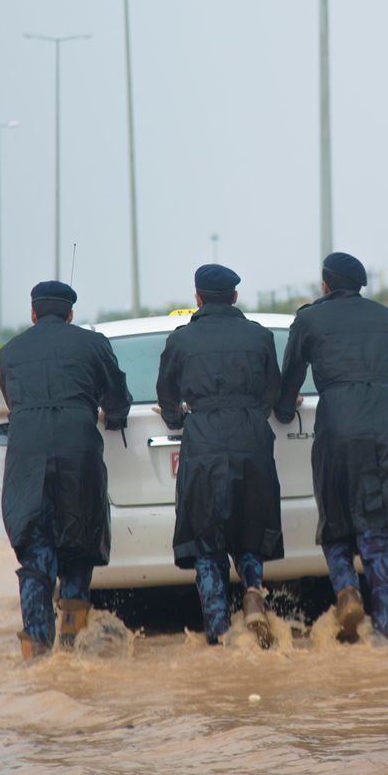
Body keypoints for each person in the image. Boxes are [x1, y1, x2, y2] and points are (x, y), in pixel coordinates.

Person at [273, 252, 388, 642]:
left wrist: (284, 410)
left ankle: (346, 589)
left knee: (336, 522)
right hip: (386, 425)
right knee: (379, 528)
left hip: (338, 426)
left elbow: (292, 376)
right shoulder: (386, 318)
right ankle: (385, 631)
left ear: (326, 285)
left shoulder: (310, 319)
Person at [0, 280, 131, 661]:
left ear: (33, 314)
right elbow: (117, 397)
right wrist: (114, 419)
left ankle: (37, 654)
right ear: (71, 315)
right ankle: (71, 649)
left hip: (27, 462)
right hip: (80, 458)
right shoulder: (92, 344)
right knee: (78, 549)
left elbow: (15, 402)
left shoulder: (8, 353)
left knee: (36, 558)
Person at [157, 264, 283, 648]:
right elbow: (272, 392)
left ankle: (219, 633)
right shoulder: (259, 337)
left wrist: (179, 418)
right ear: (235, 297)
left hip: (205, 442)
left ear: (197, 298)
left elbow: (166, 395)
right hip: (252, 440)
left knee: (206, 543)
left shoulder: (182, 341)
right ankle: (254, 592)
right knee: (250, 528)